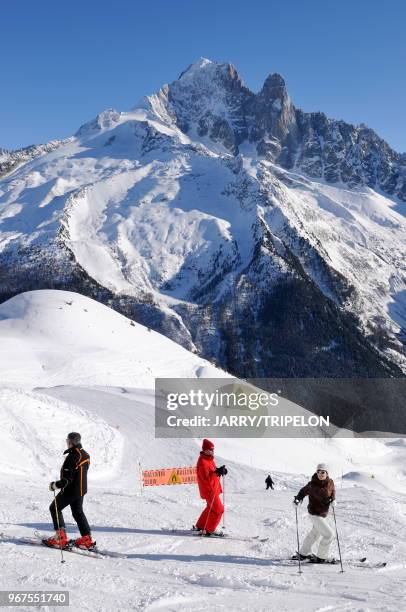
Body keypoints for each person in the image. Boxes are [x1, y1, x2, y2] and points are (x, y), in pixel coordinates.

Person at [43, 432, 95, 550]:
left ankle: (60, 538)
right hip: (81, 489)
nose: (67, 443)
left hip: (71, 490)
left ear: (71, 442)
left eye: (67, 441)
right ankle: (86, 539)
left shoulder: (72, 457)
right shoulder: (85, 454)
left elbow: (67, 479)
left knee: (54, 507)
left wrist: (55, 485)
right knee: (77, 512)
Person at [293, 463, 336, 563]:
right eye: (318, 471)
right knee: (329, 535)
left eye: (322, 472)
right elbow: (302, 492)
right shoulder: (312, 485)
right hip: (314, 514)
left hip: (323, 514)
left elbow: (332, 490)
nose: (320, 474)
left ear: (327, 473)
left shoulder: (330, 482)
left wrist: (333, 499)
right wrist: (297, 500)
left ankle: (303, 554)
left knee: (314, 534)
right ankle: (321, 557)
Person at [193, 439, 227, 536]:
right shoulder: (203, 462)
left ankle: (200, 526)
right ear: (205, 449)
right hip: (209, 490)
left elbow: (213, 471)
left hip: (212, 489)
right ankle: (210, 530)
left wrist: (220, 470)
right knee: (219, 510)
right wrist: (217, 472)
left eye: (213, 449)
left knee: (211, 508)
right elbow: (206, 478)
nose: (212, 451)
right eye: (210, 449)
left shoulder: (209, 460)